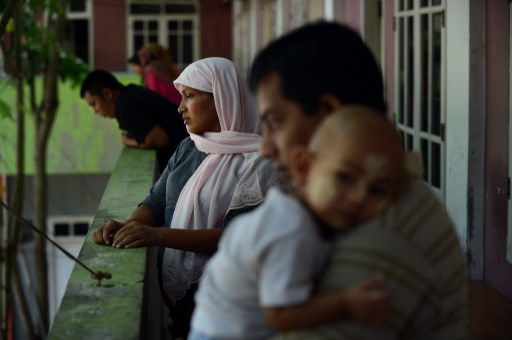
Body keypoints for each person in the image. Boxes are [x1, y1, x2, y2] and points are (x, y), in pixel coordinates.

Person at [248, 20, 467, 339]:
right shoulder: (349, 207)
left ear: (328, 112)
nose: (265, 148)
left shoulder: (383, 226)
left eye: (274, 123)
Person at [92, 57, 276, 339]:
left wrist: (157, 236)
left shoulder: (257, 163)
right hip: (180, 304)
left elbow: (237, 237)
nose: (180, 108)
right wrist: (128, 226)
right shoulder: (189, 147)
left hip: (225, 302)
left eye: (189, 96)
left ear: (222, 99)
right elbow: (155, 201)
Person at [189, 106, 404, 340]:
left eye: (377, 190)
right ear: (304, 167)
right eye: (345, 177)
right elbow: (280, 315)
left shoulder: (293, 211)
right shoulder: (292, 231)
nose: (359, 198)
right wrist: (345, 304)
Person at [80, 70, 188, 173]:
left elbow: (158, 139)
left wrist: (128, 142)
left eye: (94, 104)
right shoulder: (131, 92)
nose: (95, 111)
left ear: (107, 94)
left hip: (188, 159)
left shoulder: (124, 107)